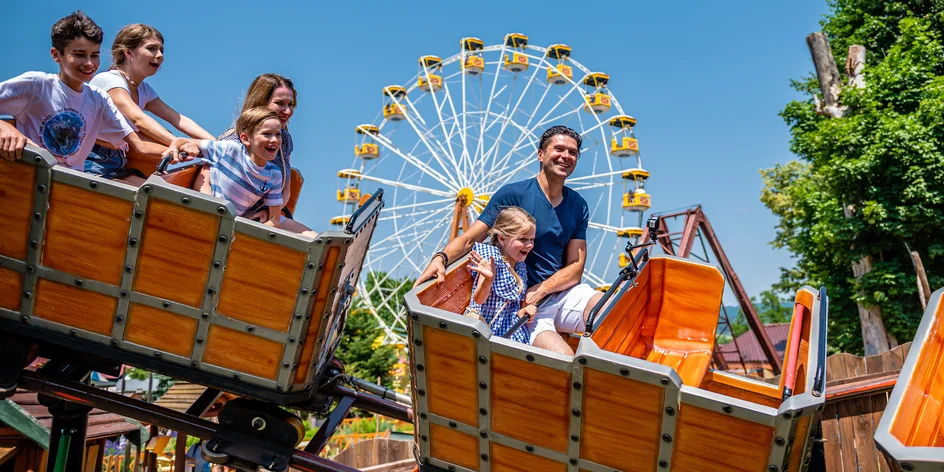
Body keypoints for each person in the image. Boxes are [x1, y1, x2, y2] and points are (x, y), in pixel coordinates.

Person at [416, 126, 603, 355]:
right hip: (523, 305)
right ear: (540, 154)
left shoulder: (578, 205)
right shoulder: (514, 194)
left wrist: (541, 289)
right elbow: (470, 239)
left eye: (572, 152)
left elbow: (576, 266)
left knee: (608, 309)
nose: (566, 156)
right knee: (564, 358)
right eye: (559, 149)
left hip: (558, 293)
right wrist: (441, 258)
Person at [0, 11, 169, 167]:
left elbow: (139, 145)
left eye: (94, 55)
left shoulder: (98, 99)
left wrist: (176, 148)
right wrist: (5, 127)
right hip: (29, 178)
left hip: (69, 183)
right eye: (80, 55)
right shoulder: (37, 85)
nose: (89, 63)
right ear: (56, 55)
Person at [86, 23, 214, 185]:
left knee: (162, 192)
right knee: (155, 194)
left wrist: (217, 145)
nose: (159, 55)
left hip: (119, 161)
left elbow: (178, 119)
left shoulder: (144, 90)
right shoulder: (109, 80)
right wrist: (180, 144)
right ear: (128, 52)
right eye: (152, 49)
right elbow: (138, 119)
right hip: (93, 160)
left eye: (161, 50)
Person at [164, 107, 316, 238]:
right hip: (208, 213)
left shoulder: (274, 175)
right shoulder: (230, 150)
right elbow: (183, 141)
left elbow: (274, 220)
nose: (275, 140)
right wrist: (175, 147)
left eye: (278, 134)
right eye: (267, 134)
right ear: (246, 139)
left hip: (234, 224)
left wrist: (248, 231)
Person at [201, 73, 297, 219]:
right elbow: (207, 172)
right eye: (280, 103)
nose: (288, 111)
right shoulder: (236, 139)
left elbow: (285, 190)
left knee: (311, 233)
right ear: (261, 102)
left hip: (263, 216)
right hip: (228, 216)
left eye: (290, 105)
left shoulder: (284, 140)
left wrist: (268, 213)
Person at [464, 207, 537, 344]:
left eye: (532, 239)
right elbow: (478, 300)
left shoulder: (521, 266)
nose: (529, 245)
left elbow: (512, 307)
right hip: (485, 330)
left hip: (510, 331)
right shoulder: (492, 258)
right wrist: (488, 280)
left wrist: (522, 312)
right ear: (502, 239)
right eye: (523, 239)